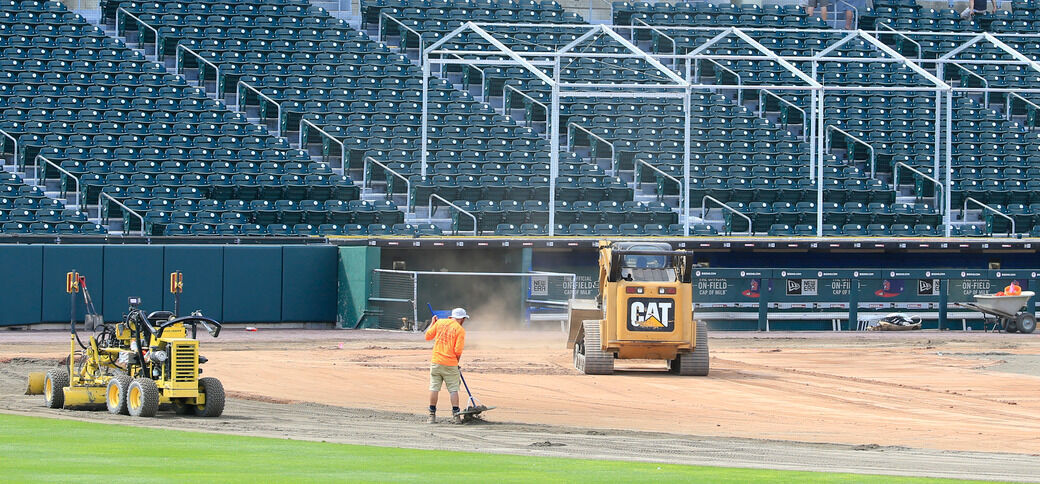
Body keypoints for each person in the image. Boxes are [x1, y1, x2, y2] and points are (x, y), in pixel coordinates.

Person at [425, 307, 467, 424]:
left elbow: (428, 336)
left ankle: (431, 415)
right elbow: (458, 350)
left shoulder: (440, 323)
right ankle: (456, 416)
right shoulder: (460, 330)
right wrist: (456, 362)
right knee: (453, 389)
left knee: (434, 388)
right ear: (462, 319)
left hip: (436, 362)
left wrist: (432, 323)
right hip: (450, 363)